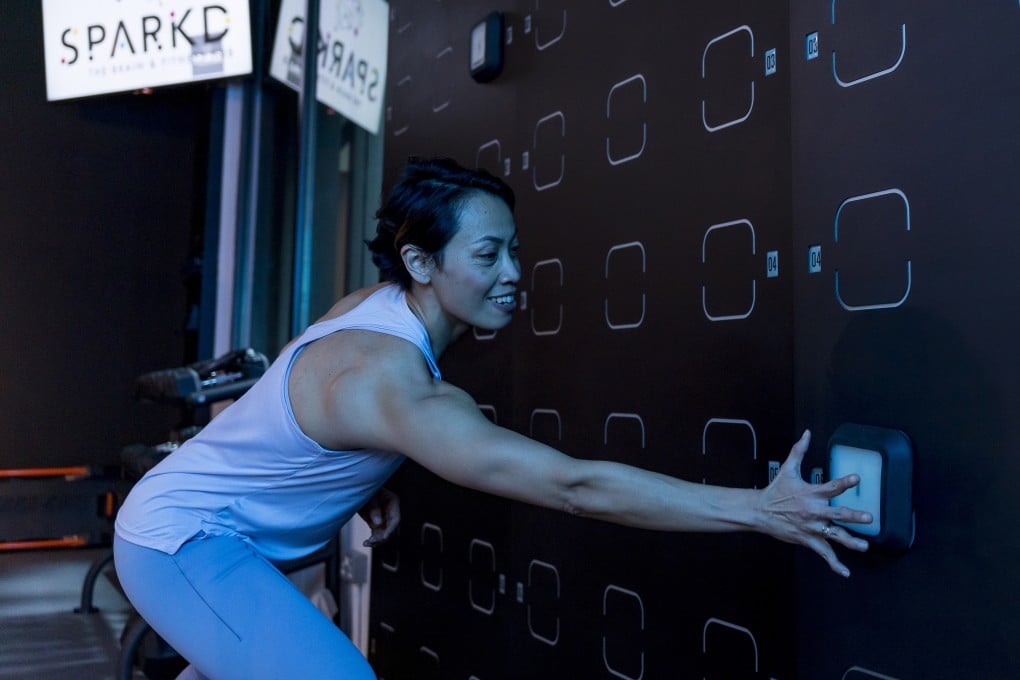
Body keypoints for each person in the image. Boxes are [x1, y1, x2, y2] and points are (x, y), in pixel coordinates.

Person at [113, 157, 872, 680]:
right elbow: (574, 487)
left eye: (514, 250)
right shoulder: (400, 387)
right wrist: (759, 509)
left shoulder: (373, 309)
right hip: (180, 541)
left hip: (217, 534)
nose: (513, 274)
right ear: (421, 263)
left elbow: (298, 402)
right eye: (487, 255)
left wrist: (354, 472)